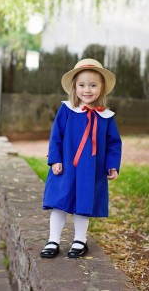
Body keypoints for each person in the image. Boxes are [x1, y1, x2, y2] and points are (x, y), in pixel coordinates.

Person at [40, 58, 122, 259]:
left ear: (101, 88)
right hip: (65, 167)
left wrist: (112, 165)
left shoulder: (106, 116)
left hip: (90, 170)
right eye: (82, 85)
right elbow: (56, 136)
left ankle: (80, 240)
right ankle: (53, 240)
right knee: (59, 203)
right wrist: (55, 159)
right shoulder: (67, 110)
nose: (87, 90)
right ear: (74, 87)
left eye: (93, 85)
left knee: (83, 204)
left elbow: (114, 143)